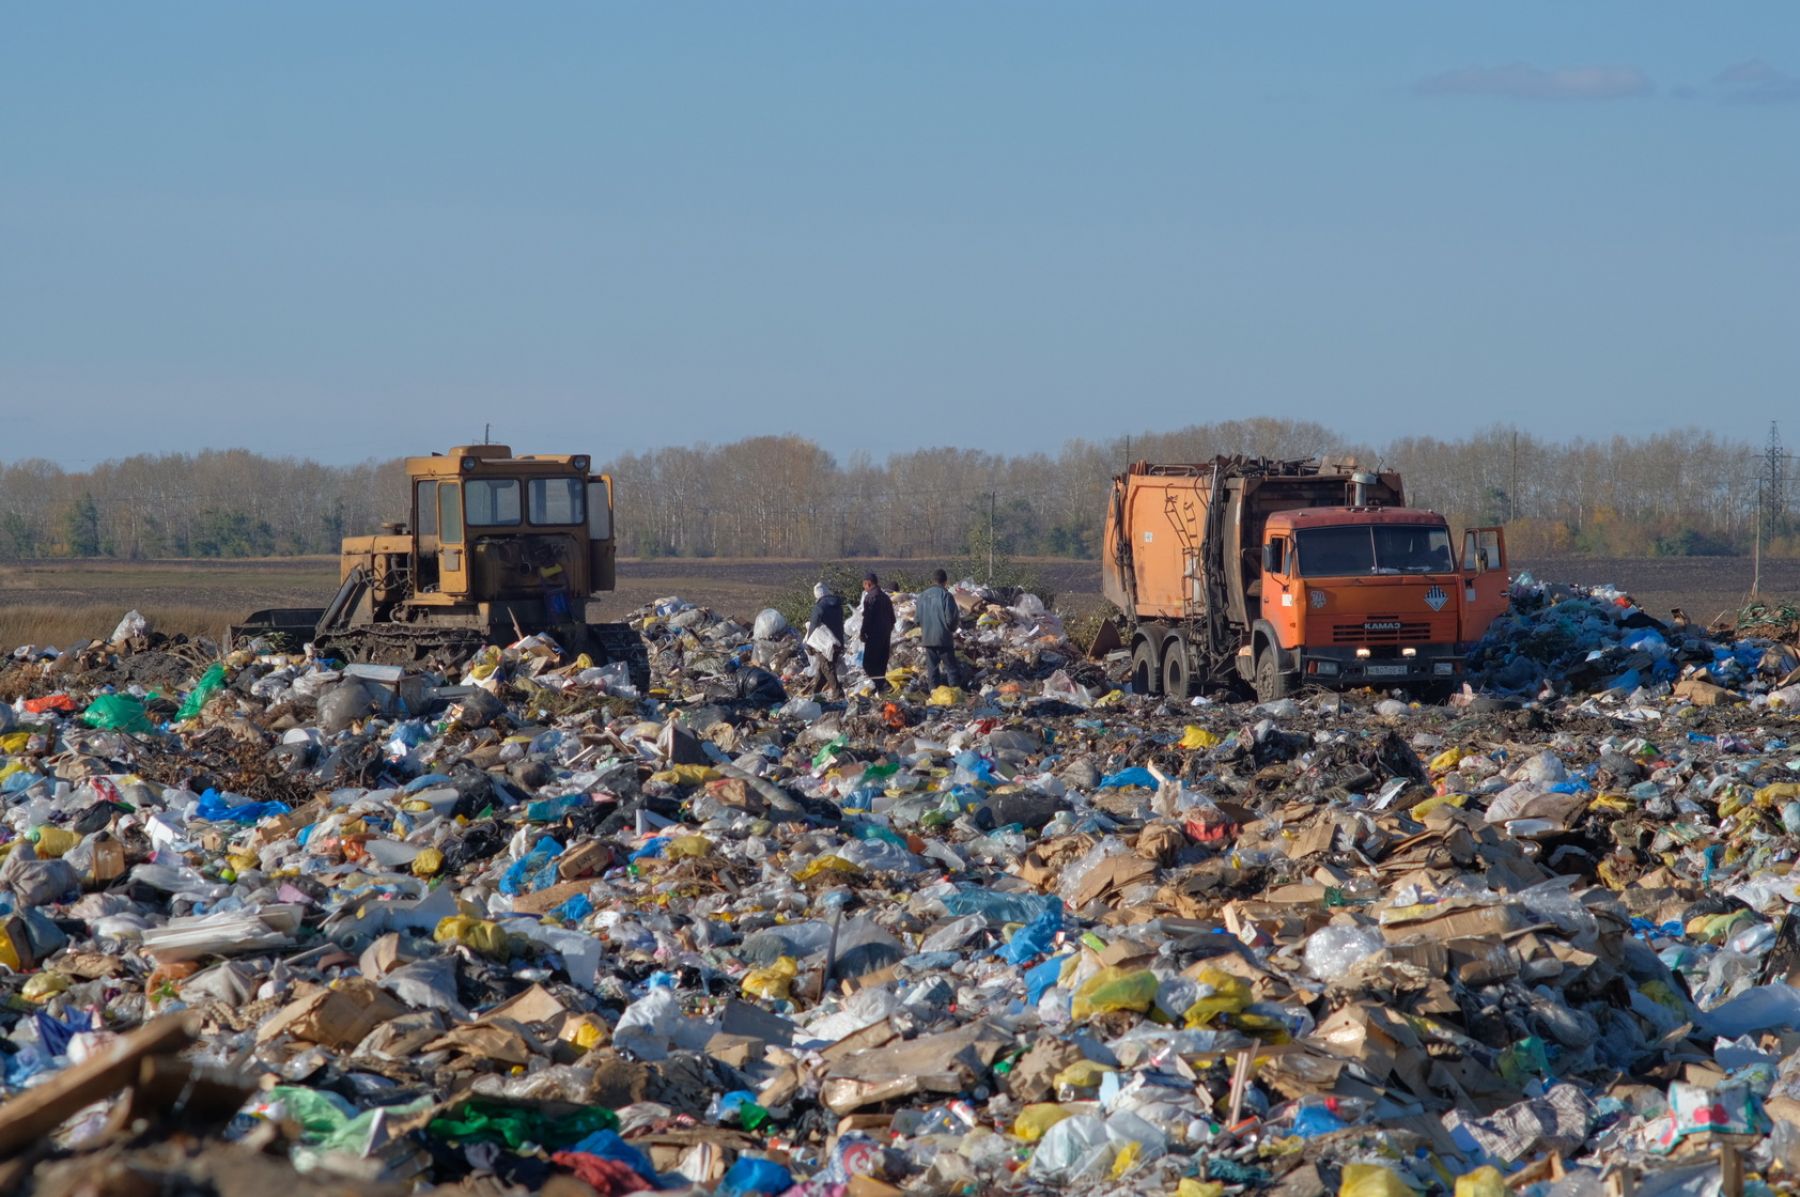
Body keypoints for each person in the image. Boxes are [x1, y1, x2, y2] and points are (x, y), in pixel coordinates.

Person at [915, 568, 965, 689]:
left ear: (933, 580)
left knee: (932, 669)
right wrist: (951, 630)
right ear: (945, 581)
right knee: (951, 668)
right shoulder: (946, 596)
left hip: (928, 639)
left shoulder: (922, 596)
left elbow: (916, 620)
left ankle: (934, 694)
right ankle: (954, 693)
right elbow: (951, 619)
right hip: (943, 639)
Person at [806, 581, 847, 699]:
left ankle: (838, 692)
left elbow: (813, 625)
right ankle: (815, 692)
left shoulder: (819, 607)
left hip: (825, 643)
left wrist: (809, 643)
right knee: (823, 668)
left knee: (826, 667)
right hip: (838, 641)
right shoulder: (837, 605)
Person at [858, 572, 896, 693]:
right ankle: (881, 688)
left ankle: (884, 685)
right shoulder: (885, 597)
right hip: (886, 635)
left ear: (868, 583)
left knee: (868, 664)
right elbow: (893, 619)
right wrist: (887, 630)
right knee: (880, 663)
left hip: (875, 635)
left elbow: (867, 618)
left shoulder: (870, 597)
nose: (864, 588)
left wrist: (863, 633)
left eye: (864, 585)